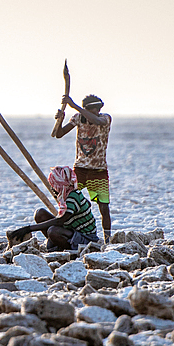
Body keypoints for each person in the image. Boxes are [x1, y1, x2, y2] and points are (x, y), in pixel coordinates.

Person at [52, 94, 113, 243]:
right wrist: (59, 119)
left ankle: (107, 239)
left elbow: (97, 120)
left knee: (103, 207)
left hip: (98, 170)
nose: (96, 112)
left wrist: (74, 106)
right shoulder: (78, 118)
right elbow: (57, 134)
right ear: (88, 109)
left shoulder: (105, 118)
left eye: (97, 109)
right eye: (93, 110)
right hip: (79, 169)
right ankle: (69, 230)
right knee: (66, 200)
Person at [7, 166, 99, 251]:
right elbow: (87, 204)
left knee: (53, 231)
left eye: (53, 185)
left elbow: (60, 221)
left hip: (86, 237)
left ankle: (66, 249)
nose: (52, 188)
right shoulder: (69, 193)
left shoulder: (72, 197)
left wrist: (29, 229)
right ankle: (57, 243)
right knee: (40, 214)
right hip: (72, 229)